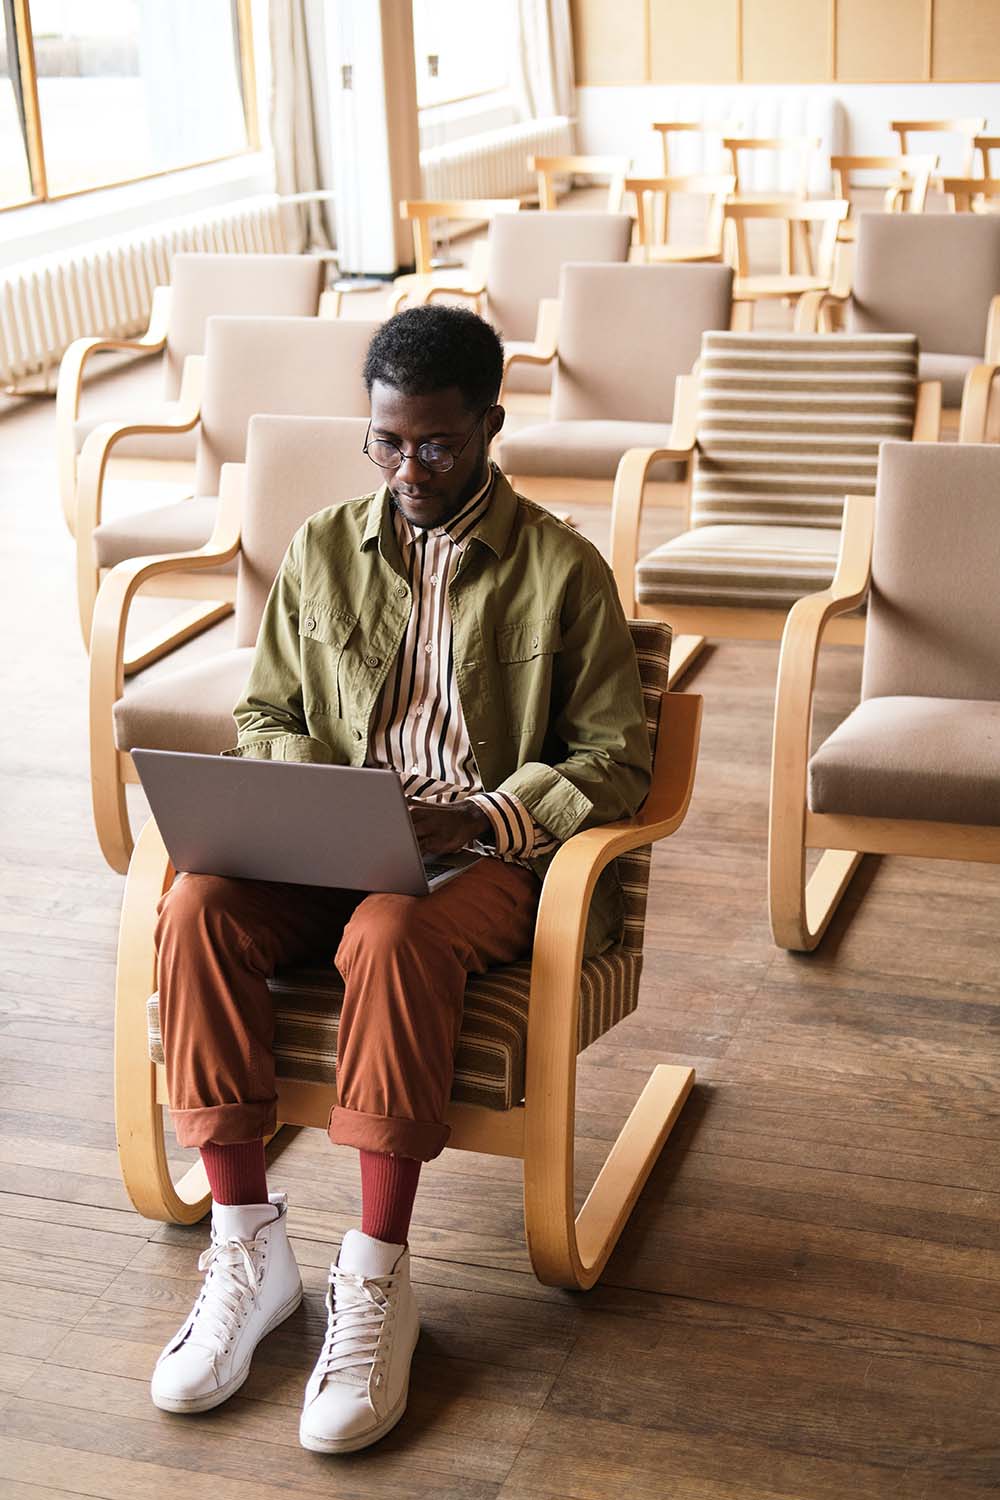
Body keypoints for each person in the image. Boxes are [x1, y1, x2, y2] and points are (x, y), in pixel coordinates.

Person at [150, 304, 651, 1453]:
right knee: (192, 907)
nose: (408, 468)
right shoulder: (325, 545)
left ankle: (376, 1277)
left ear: (488, 427)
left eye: (435, 443)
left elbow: (616, 756)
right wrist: (311, 796)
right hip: (330, 841)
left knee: (390, 932)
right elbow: (268, 709)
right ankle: (248, 1251)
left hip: (481, 857)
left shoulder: (562, 569)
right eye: (385, 441)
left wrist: (479, 810)